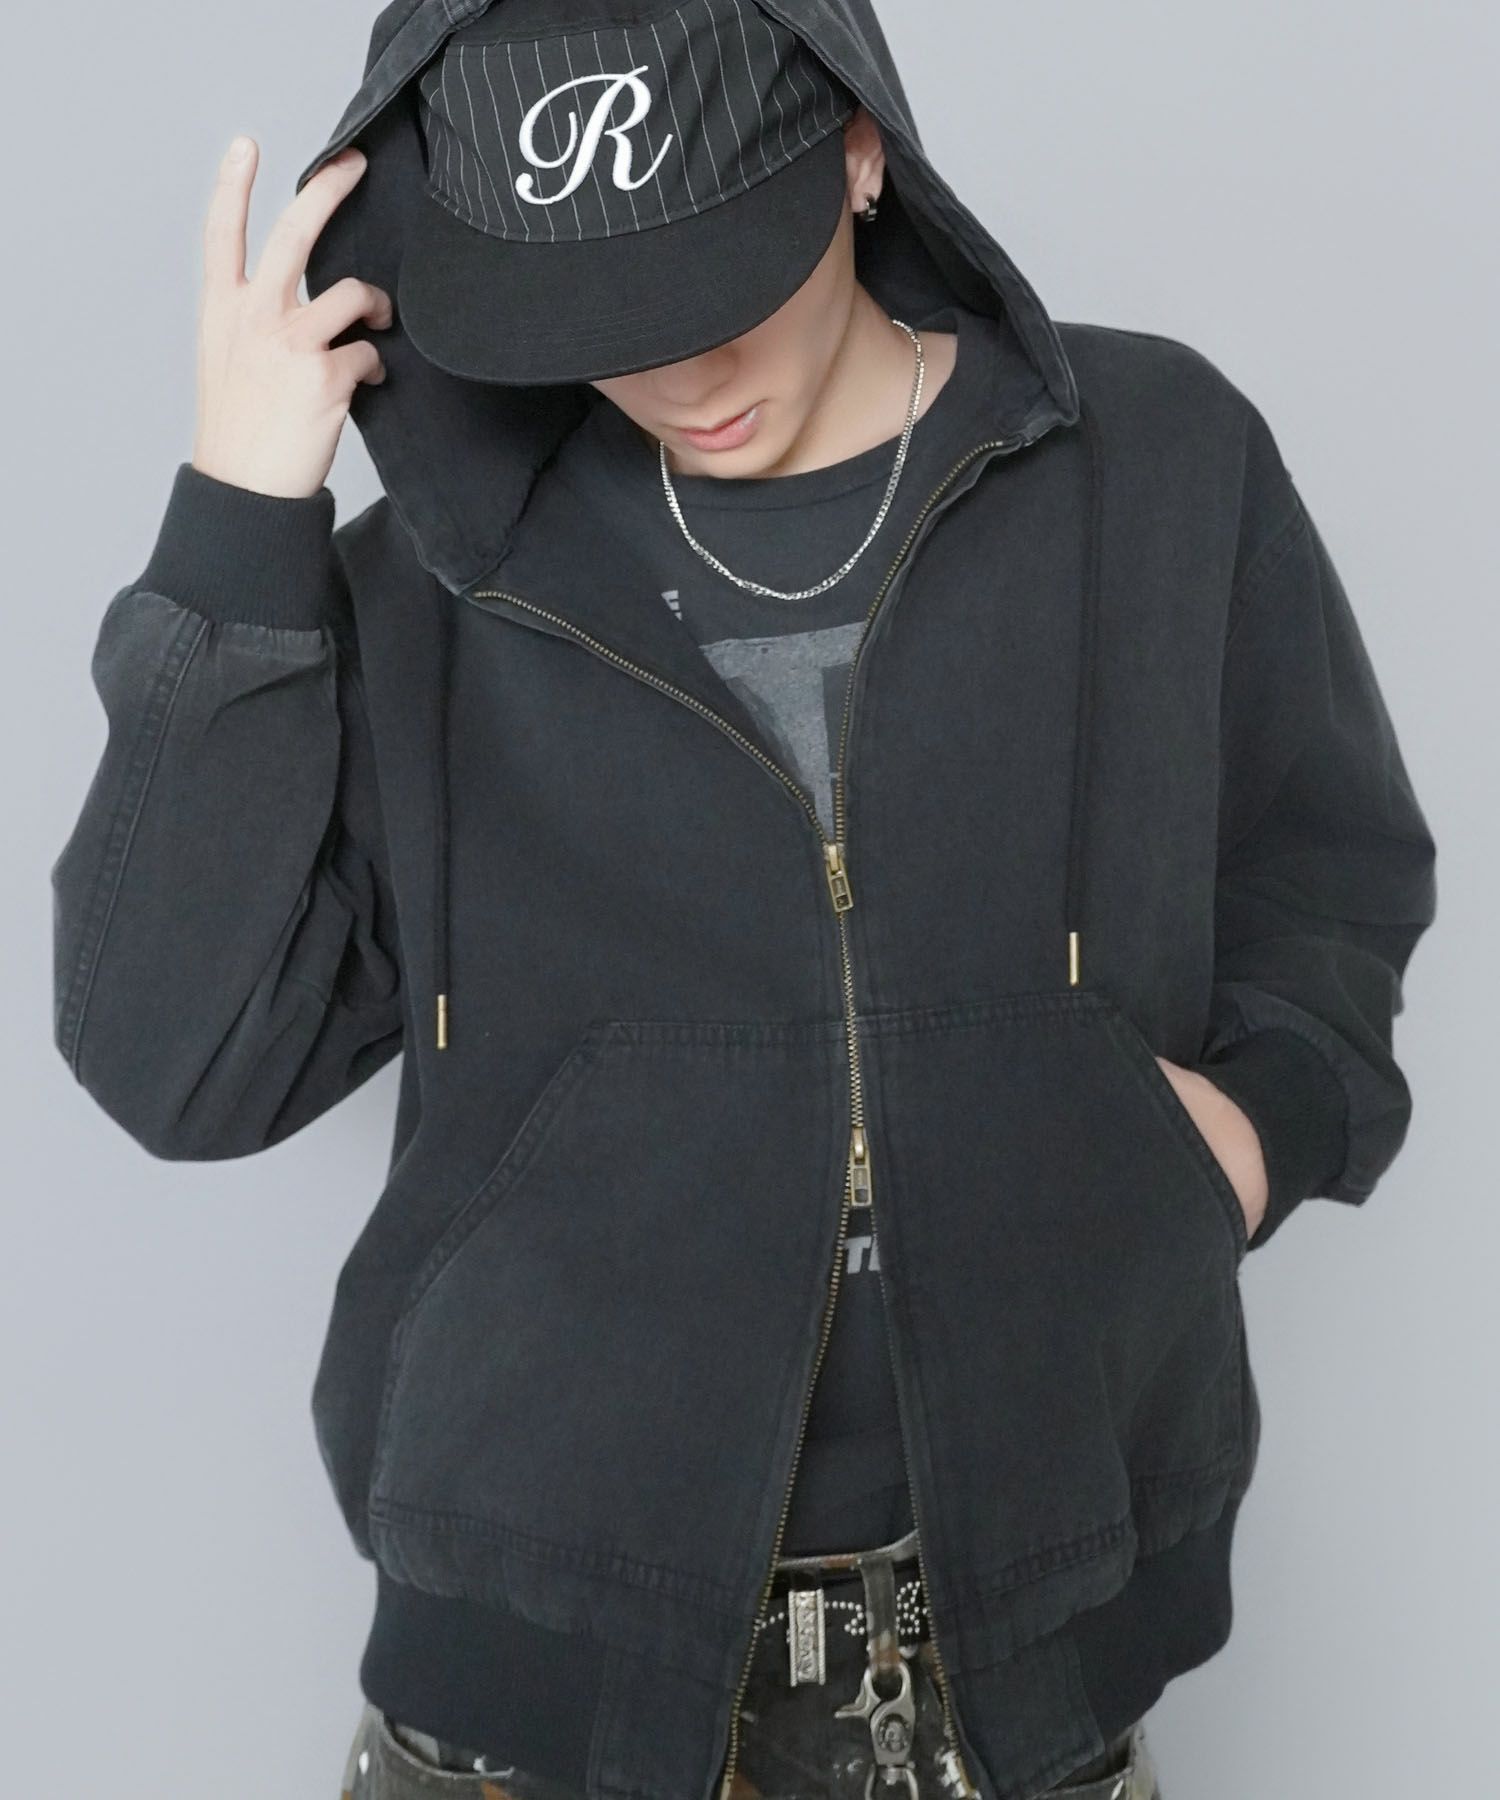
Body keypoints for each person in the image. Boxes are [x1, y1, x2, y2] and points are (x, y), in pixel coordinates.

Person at [49, 0, 1437, 1797]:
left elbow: (1331, 871)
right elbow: (177, 1061)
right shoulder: (441, 585)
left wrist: (1250, 1131)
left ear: (860, 152)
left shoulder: (1156, 466)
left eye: (720, 284)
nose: (677, 370)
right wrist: (240, 528)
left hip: (1021, 1684)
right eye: (599, 319)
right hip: (523, 1718)